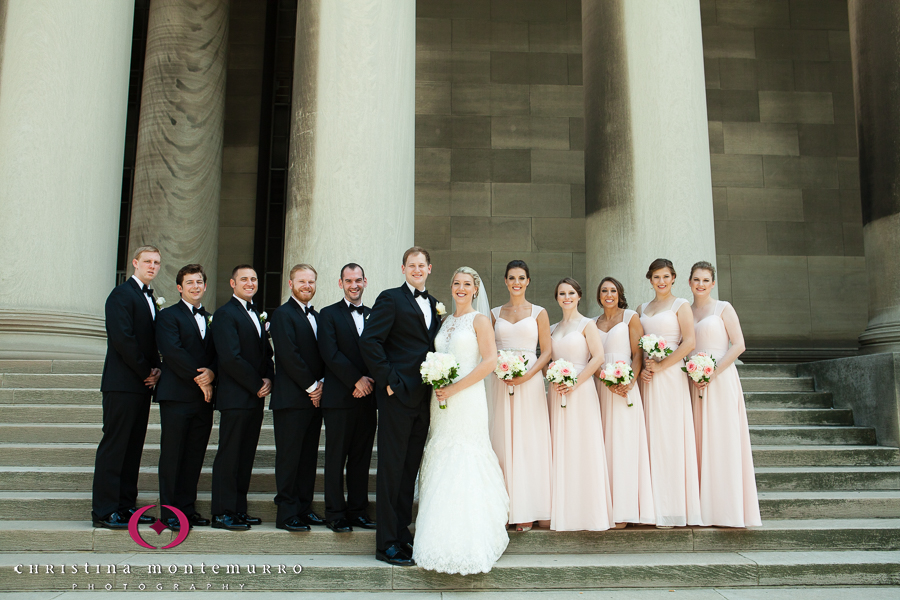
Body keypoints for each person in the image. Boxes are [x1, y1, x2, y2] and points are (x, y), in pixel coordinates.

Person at [414, 267, 509, 574]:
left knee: (465, 453)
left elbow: (490, 360)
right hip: (440, 398)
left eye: (467, 284)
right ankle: (435, 529)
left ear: (475, 290)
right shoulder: (444, 322)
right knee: (441, 451)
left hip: (467, 398)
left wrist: (455, 387)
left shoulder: (480, 321)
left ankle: (471, 536)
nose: (461, 288)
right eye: (456, 283)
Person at [360, 247, 440, 567]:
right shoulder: (390, 298)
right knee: (392, 470)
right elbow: (370, 341)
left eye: (422, 265)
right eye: (412, 265)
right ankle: (386, 543)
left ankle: (401, 533)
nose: (417, 270)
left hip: (424, 399)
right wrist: (389, 381)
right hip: (397, 397)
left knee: (409, 471)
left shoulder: (435, 304)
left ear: (429, 268)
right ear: (403, 268)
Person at [91, 245, 162, 529]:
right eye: (147, 261)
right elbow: (123, 339)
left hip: (141, 385)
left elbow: (150, 339)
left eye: (156, 262)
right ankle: (105, 510)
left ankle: (125, 506)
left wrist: (157, 369)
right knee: (115, 445)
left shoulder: (149, 298)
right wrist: (147, 370)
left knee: (133, 448)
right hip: (122, 383)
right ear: (135, 263)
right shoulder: (121, 295)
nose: (152, 266)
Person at [688, 261, 761, 528]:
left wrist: (712, 372)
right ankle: (701, 506)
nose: (700, 284)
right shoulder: (686, 310)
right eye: (696, 280)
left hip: (719, 378)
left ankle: (727, 509)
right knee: (698, 439)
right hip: (693, 380)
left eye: (706, 280)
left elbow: (739, 344)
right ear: (689, 282)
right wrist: (693, 372)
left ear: (713, 283)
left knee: (722, 438)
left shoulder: (723, 308)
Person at [638, 258, 703, 528]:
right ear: (650, 279)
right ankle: (651, 506)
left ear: (674, 278)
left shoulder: (681, 305)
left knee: (671, 437)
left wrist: (664, 365)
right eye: (656, 277)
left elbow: (689, 342)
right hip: (649, 377)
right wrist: (643, 368)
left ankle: (675, 507)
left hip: (671, 377)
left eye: (665, 276)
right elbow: (639, 346)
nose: (661, 281)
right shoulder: (642, 308)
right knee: (650, 436)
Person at [489, 260, 552, 532]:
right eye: (512, 277)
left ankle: (530, 507)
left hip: (530, 381)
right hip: (500, 381)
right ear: (505, 281)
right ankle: (506, 507)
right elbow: (488, 351)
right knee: (502, 440)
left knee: (529, 440)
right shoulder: (493, 313)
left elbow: (547, 351)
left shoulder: (539, 312)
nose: (516, 282)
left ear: (528, 281)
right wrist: (500, 372)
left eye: (521, 277)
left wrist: (527, 376)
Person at [209, 265, 274, 530]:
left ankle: (238, 509)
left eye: (254, 279)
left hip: (254, 397)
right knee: (229, 455)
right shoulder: (225, 314)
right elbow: (230, 358)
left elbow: (265, 354)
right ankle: (223, 512)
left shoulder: (255, 314)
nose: (250, 283)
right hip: (236, 396)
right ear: (232, 283)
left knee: (246, 455)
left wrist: (269, 378)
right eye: (244, 279)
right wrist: (256, 383)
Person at [548, 278, 613, 532]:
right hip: (557, 391)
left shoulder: (587, 324)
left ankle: (589, 512)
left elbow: (598, 358)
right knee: (561, 448)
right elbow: (547, 360)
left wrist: (574, 382)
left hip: (581, 389)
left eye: (571, 293)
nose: (566, 297)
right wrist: (553, 377)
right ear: (557, 298)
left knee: (583, 447)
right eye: (562, 293)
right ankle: (563, 511)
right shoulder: (552, 328)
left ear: (579, 296)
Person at [154, 263, 216, 531]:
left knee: (194, 456)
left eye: (199, 282)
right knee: (172, 455)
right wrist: (200, 379)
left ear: (205, 285)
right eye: (189, 282)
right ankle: (168, 514)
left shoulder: (212, 317)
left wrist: (212, 374)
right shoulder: (168, 316)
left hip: (204, 399)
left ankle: (187, 510)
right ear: (180, 288)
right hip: (177, 396)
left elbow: (217, 353)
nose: (195, 286)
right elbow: (173, 352)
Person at [318, 263, 377, 532]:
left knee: (361, 458)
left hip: (367, 399)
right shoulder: (328, 314)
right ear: (340, 283)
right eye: (348, 280)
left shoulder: (374, 315)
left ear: (365, 282)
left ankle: (358, 510)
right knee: (336, 457)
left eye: (358, 280)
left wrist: (368, 381)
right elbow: (330, 354)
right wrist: (356, 380)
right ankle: (335, 513)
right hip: (339, 398)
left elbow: (378, 352)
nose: (354, 285)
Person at [269, 264, 327, 532]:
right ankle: (287, 513)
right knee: (290, 457)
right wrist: (312, 385)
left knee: (307, 458)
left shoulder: (316, 316)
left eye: (311, 281)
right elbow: (288, 355)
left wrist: (322, 384)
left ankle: (304, 507)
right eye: (302, 281)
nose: (307, 286)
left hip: (314, 399)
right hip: (292, 399)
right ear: (290, 284)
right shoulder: (282, 315)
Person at [594, 277, 654, 528]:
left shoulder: (630, 317)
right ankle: (605, 506)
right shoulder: (592, 323)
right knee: (603, 446)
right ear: (599, 296)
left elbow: (638, 352)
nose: (609, 294)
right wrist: (603, 378)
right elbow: (592, 357)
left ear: (620, 294)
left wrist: (630, 380)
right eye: (604, 291)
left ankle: (625, 509)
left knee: (624, 445)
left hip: (625, 388)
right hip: (600, 387)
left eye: (613, 290)